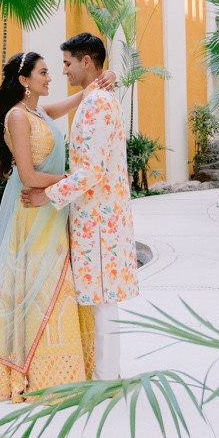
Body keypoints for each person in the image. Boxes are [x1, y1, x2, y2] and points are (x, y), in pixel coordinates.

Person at [0, 52, 107, 402]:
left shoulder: (39, 112)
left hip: (52, 211)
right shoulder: (17, 117)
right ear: (24, 80)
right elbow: (27, 176)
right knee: (34, 290)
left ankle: (64, 372)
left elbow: (78, 99)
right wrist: (72, 180)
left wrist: (104, 79)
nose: (50, 76)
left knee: (58, 287)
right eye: (43, 72)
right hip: (32, 214)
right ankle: (31, 374)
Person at [25, 32, 139, 378]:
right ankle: (104, 375)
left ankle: (105, 379)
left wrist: (47, 195)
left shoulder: (98, 105)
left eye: (68, 63)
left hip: (100, 222)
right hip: (100, 218)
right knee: (101, 304)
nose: (64, 72)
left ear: (86, 61)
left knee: (104, 306)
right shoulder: (97, 99)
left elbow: (89, 172)